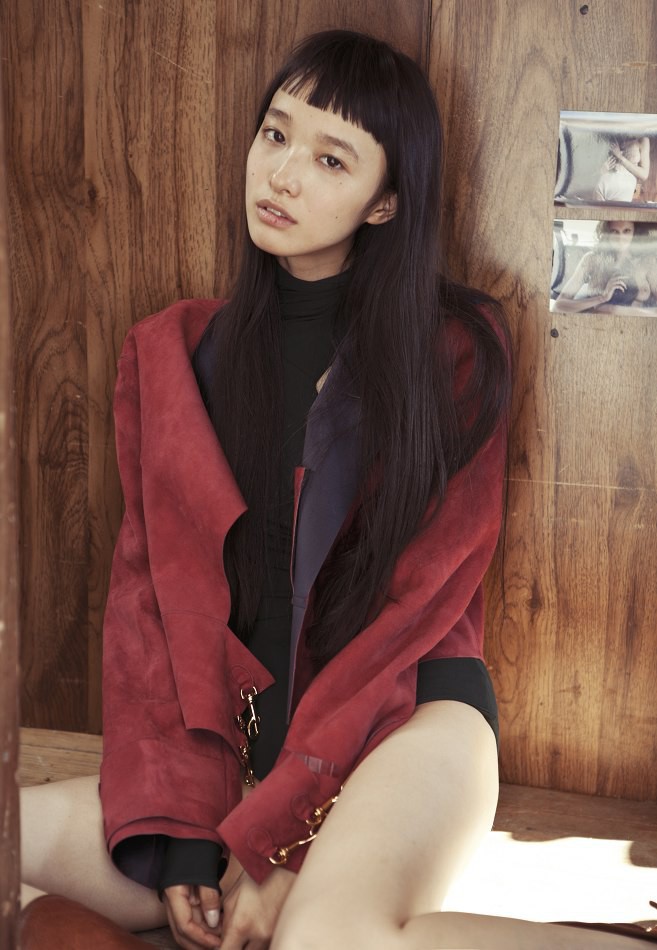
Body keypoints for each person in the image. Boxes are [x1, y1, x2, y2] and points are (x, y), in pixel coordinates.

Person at [20, 30, 652, 950]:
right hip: (240, 749)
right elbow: (151, 611)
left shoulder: (454, 349)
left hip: (409, 717)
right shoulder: (172, 354)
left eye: (330, 159)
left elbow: (413, 610)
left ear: (385, 200)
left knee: (326, 936)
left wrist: (280, 840)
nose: (281, 174)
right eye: (274, 135)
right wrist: (189, 839)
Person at [554, 219, 645, 313]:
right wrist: (602, 298)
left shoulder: (644, 263)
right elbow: (558, 306)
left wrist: (614, 310)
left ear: (635, 233)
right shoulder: (591, 260)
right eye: (614, 231)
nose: (620, 238)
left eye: (626, 231)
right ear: (606, 233)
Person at [594, 136, 650, 203]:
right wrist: (601, 171)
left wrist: (620, 157)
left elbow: (644, 175)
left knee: (620, 208)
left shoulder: (642, 139)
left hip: (625, 188)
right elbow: (591, 175)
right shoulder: (607, 135)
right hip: (603, 184)